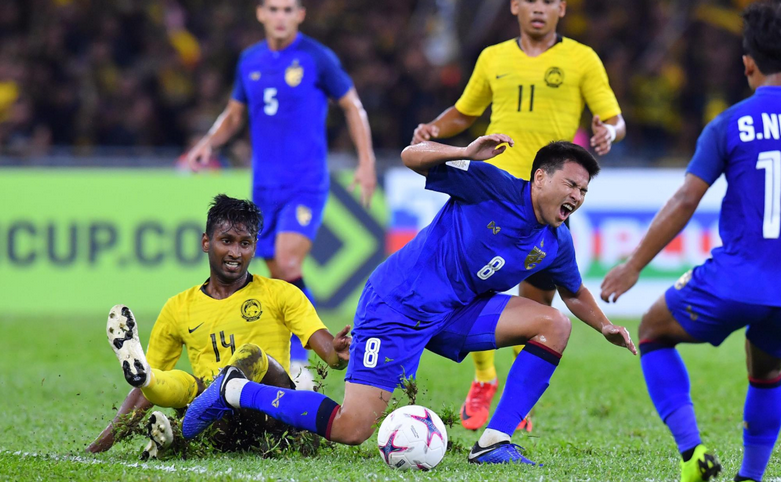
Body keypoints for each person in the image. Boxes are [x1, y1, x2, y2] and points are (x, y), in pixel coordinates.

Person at [182, 135, 636, 465]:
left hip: (456, 312)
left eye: (583, 191)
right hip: (398, 306)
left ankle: (494, 441)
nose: (577, 197)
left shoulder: (556, 240)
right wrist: (462, 152)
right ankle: (236, 390)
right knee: (352, 428)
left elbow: (574, 292)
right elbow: (409, 156)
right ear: (540, 178)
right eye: (571, 185)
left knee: (555, 324)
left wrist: (605, 326)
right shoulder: (490, 185)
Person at [600, 3, 781, 481]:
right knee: (766, 370)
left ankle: (693, 454)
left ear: (748, 63)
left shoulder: (731, 122)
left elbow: (687, 199)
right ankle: (750, 477)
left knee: (651, 330)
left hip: (737, 278)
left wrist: (633, 265)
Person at [412, 0, 626, 431]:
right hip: (496, 190)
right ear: (515, 6)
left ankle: (516, 393)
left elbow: (614, 118)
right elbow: (465, 112)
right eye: (531, 0)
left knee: (536, 304)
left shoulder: (582, 58)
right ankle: (483, 379)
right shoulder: (494, 57)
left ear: (561, 8)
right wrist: (435, 128)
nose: (539, 9)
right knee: (474, 284)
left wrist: (609, 131)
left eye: (549, 1)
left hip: (549, 197)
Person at [184, 0, 376, 388]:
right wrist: (208, 143)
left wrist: (366, 160)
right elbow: (235, 114)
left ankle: (305, 362)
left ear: (300, 15)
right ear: (260, 13)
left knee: (287, 262)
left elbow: (353, 106)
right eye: (273, 9)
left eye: (288, 9)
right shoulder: (249, 61)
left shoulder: (316, 57)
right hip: (264, 189)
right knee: (276, 271)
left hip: (306, 183)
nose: (280, 17)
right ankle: (291, 358)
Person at [86, 194, 351, 458]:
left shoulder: (282, 293)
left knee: (255, 356)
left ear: (255, 247)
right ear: (206, 242)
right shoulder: (178, 307)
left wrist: (336, 354)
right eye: (227, 241)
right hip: (219, 428)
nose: (236, 252)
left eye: (245, 243)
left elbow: (324, 345)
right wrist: (99, 446)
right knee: (182, 383)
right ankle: (185, 406)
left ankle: (182, 431)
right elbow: (145, 394)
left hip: (271, 421)